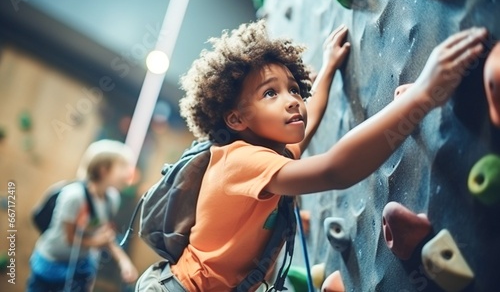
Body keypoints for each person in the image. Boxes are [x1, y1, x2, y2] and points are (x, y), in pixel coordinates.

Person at [137, 21, 487, 291]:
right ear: (235, 119)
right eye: (270, 93)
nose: (292, 100)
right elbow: (335, 170)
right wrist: (423, 95)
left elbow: (309, 118)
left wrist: (329, 68)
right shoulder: (238, 161)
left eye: (293, 89)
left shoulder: (269, 152)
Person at [28, 139, 138, 292]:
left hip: (80, 266)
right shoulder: (75, 196)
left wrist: (123, 262)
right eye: (122, 166)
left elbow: (104, 234)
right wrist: (96, 242)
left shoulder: (112, 199)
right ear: (103, 169)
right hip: (50, 265)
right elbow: (69, 238)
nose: (128, 173)